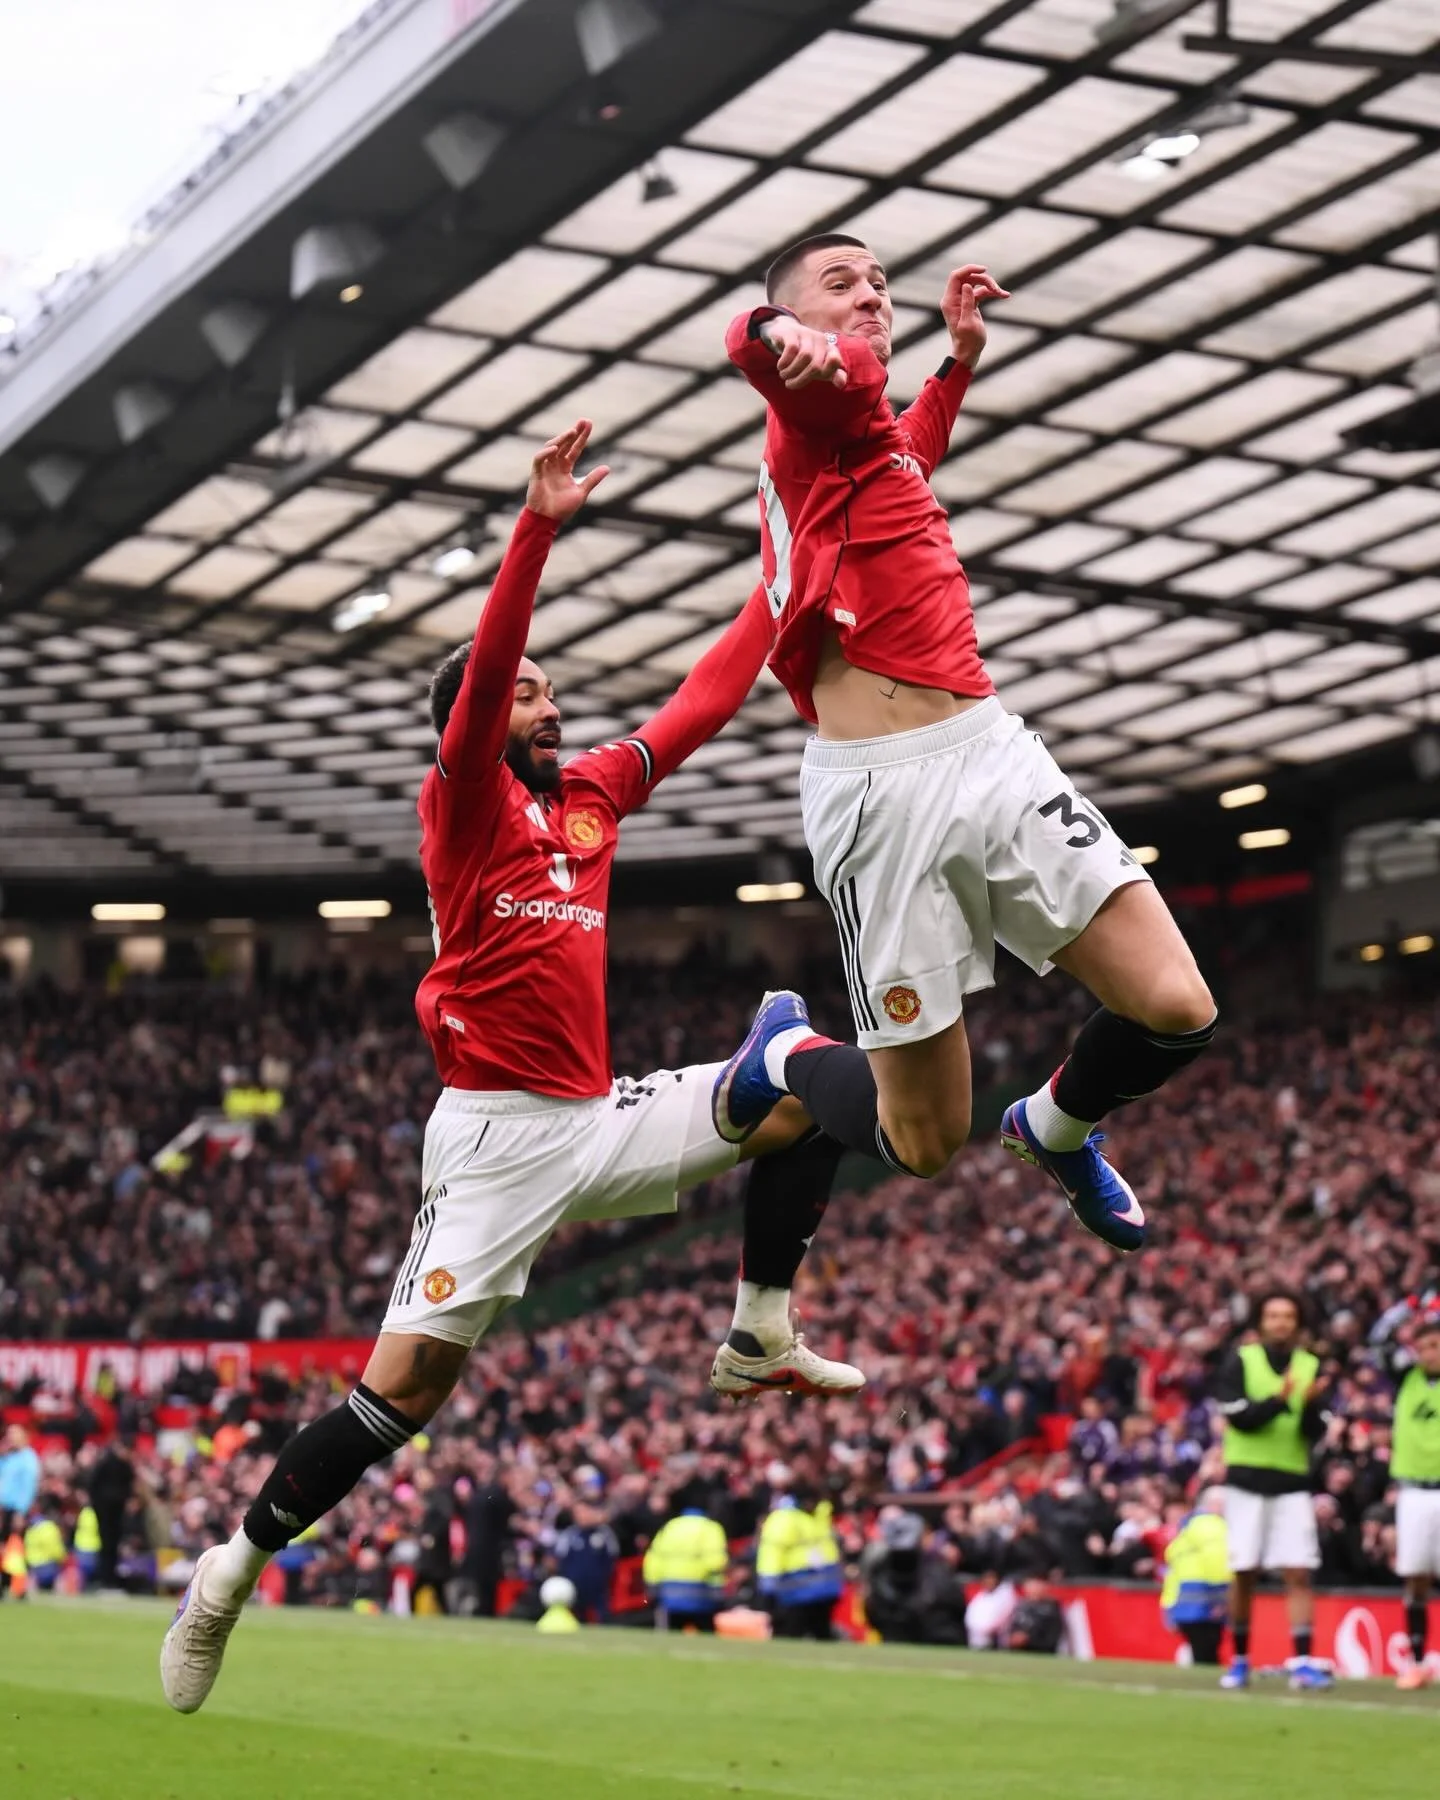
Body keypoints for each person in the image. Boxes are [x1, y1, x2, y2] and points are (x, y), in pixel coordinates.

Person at [160, 421, 861, 1713]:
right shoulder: (465, 804)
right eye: (531, 692)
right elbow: (482, 679)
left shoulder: (589, 799)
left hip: (596, 1117)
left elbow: (703, 700)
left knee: (800, 1076)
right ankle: (229, 1572)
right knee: (406, 1395)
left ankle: (760, 1329)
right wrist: (534, 530)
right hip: (488, 1141)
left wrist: (792, 567)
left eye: (549, 691)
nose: (549, 702)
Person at [712, 234, 1216, 1253]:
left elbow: (914, 440)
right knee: (925, 1138)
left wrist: (961, 357)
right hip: (878, 799)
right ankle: (792, 1047)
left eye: (879, 285)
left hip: (992, 752)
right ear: (801, 317)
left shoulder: (872, 439)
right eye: (841, 286)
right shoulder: (809, 407)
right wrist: (775, 333)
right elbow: (749, 341)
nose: (871, 299)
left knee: (1178, 1007)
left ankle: (1056, 1126)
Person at [1216, 1291, 1332, 1691]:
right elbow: (1239, 1418)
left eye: (1288, 1316)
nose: (1280, 1323)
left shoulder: (1311, 1367)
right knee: (1243, 1571)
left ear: (1297, 1323)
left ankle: (1301, 1661)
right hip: (1246, 1480)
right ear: (1261, 1322)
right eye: (1273, 1315)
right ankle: (1240, 1660)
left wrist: (1313, 1407)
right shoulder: (1241, 1361)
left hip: (1291, 1482)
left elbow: (1315, 1433)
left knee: (1298, 1570)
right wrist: (1279, 1401)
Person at [1372, 1299, 1440, 1689]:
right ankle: (1415, 1662)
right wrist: (1408, 1306)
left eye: (1435, 1345)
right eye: (1423, 1346)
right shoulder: (1407, 1378)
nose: (1428, 1354)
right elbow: (1378, 1339)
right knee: (1415, 1577)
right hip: (1414, 1491)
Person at [755, 1482, 843, 1640]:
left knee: (817, 1633)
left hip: (821, 1590)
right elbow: (773, 1553)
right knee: (792, 1632)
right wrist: (769, 1585)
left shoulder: (820, 1516)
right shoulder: (786, 1519)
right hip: (795, 1591)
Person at [1160, 1487, 1230, 1666]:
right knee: (1208, 1655)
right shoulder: (1212, 1526)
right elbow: (1217, 1563)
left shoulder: (1187, 1529)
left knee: (1201, 1653)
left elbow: (1172, 1575)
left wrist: (1168, 1608)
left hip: (1184, 1605)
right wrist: (1222, 1601)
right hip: (1206, 1604)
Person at [642, 1502, 730, 1631]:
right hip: (702, 1592)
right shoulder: (710, 1528)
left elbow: (654, 1559)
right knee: (705, 1634)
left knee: (672, 1635)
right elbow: (715, 1562)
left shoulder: (670, 1527)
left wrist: (652, 1584)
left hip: (670, 1591)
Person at [0, 1427, 40, 1598]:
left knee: (15, 1547)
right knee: (5, 1547)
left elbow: (28, 1487)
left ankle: (18, 1585)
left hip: (16, 1509)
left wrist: (21, 1511)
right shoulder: (9, 1457)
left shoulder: (28, 1459)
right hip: (4, 1508)